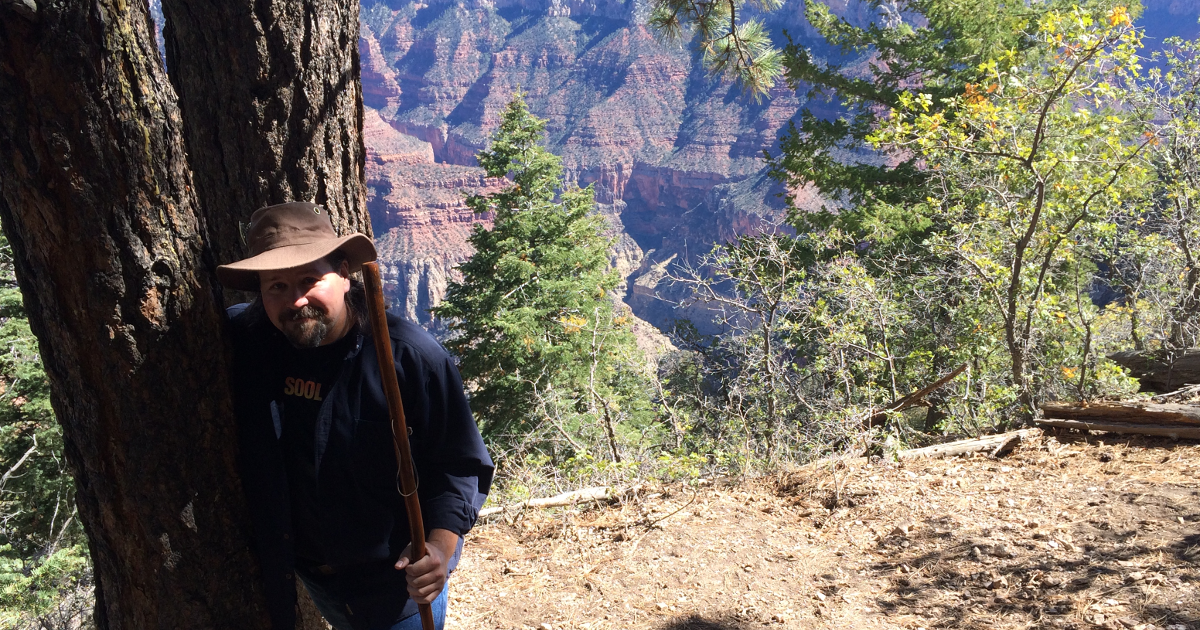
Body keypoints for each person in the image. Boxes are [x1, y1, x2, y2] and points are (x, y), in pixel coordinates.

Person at [217, 202, 493, 630]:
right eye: (276, 286)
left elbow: (459, 465)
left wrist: (439, 550)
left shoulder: (407, 359)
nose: (296, 299)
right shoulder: (252, 341)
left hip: (395, 587)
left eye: (310, 279)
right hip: (307, 574)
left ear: (344, 274)